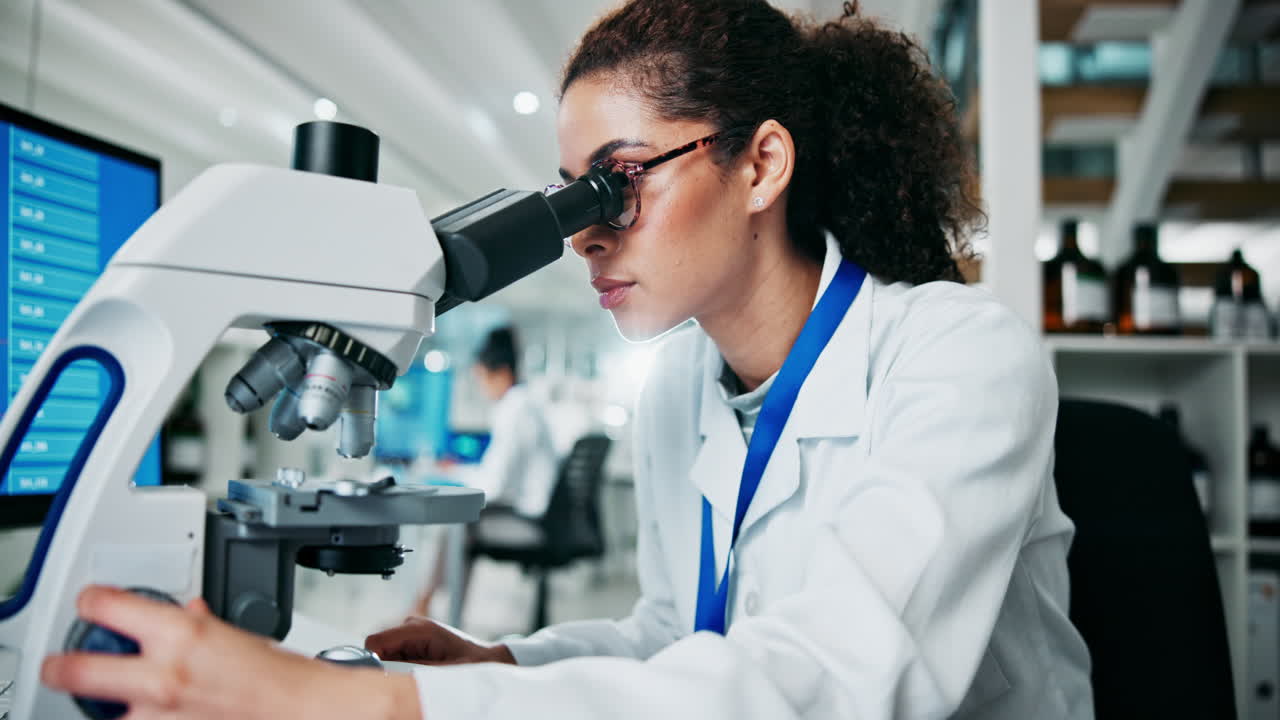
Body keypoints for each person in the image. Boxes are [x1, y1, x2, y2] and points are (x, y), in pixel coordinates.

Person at [40, 1, 1095, 718]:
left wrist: (365, 703)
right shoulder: (683, 385)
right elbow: (680, 636)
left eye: (618, 180)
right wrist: (502, 666)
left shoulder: (960, 357)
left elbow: (825, 683)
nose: (586, 231)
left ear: (761, 164)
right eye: (569, 192)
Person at [411, 326, 559, 617]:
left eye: (481, 379)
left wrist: (452, 475)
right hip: (536, 515)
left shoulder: (515, 410)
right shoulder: (525, 405)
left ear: (501, 373)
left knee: (458, 526)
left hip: (531, 523)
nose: (481, 388)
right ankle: (434, 615)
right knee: (460, 527)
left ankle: (427, 612)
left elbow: (495, 486)